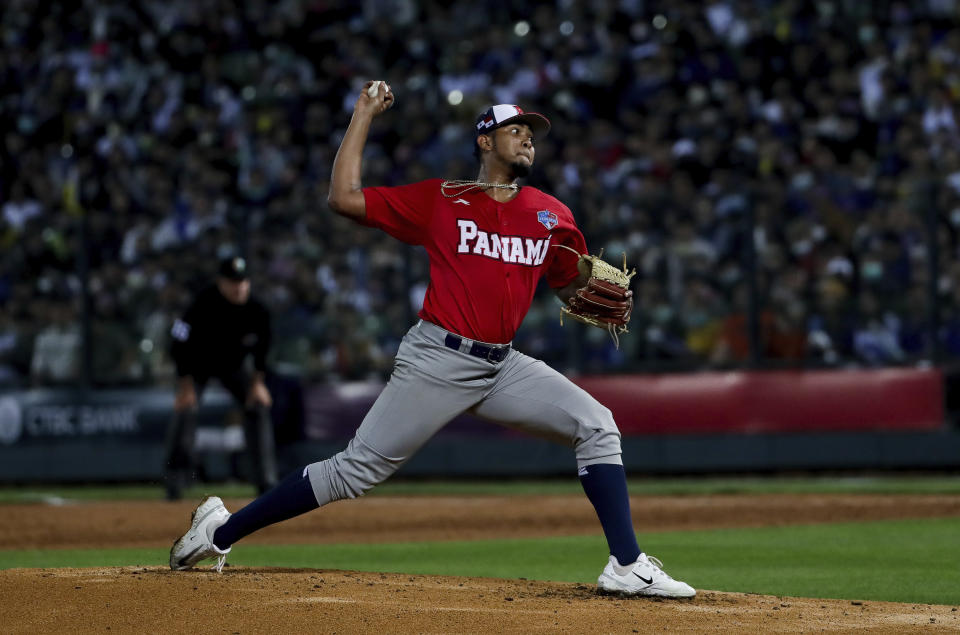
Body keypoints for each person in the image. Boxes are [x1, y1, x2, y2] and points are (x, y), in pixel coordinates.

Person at [169, 83, 695, 598]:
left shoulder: (551, 214)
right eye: (517, 130)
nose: (529, 138)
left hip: (502, 366)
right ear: (485, 141)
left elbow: (568, 283)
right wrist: (364, 115)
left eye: (532, 132)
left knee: (597, 424)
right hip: (437, 360)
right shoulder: (442, 199)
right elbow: (343, 198)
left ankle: (626, 565)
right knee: (354, 471)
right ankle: (219, 532)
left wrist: (587, 279)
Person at [164, 256, 277, 500]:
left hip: (234, 367)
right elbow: (177, 344)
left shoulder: (258, 310)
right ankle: (176, 482)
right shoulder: (200, 304)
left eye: (243, 281)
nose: (239, 287)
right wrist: (185, 387)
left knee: (258, 406)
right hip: (197, 366)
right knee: (186, 411)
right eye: (233, 281)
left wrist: (257, 385)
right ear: (221, 283)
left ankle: (265, 480)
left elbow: (263, 350)